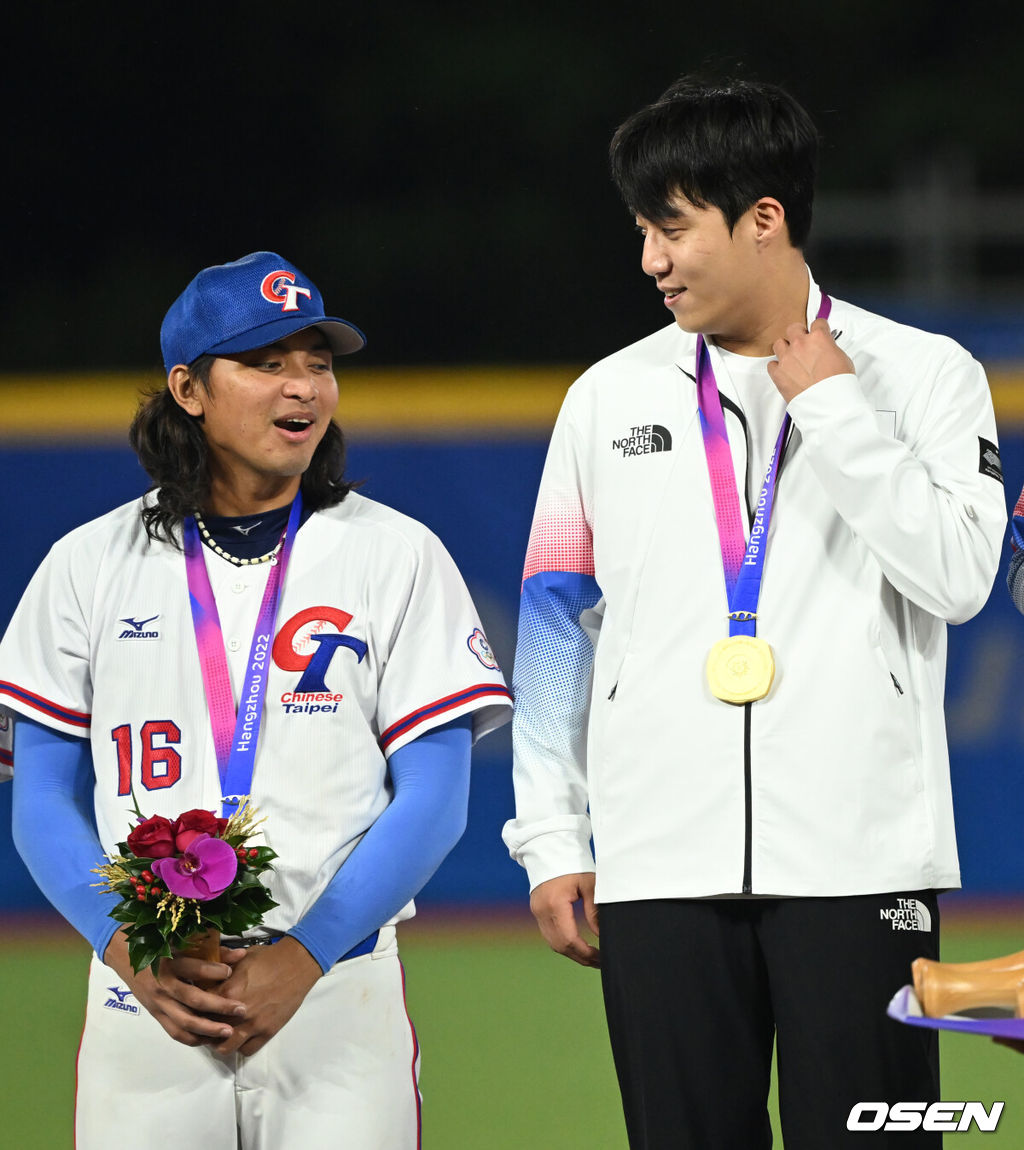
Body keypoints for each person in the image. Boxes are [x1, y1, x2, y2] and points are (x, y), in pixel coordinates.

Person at [503, 77, 1006, 1148]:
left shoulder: (923, 376)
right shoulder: (608, 397)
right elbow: (555, 620)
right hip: (658, 864)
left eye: (672, 227)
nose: (650, 259)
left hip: (860, 861)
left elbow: (960, 576)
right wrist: (551, 835)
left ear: (762, 219)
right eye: (643, 230)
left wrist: (831, 407)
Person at [0, 251, 512, 1149]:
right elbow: (40, 799)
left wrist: (305, 956)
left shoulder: (395, 554)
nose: (302, 387)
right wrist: (126, 953)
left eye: (318, 362)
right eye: (266, 361)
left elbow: (436, 798)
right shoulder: (88, 563)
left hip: (337, 984)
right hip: (150, 992)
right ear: (188, 389)